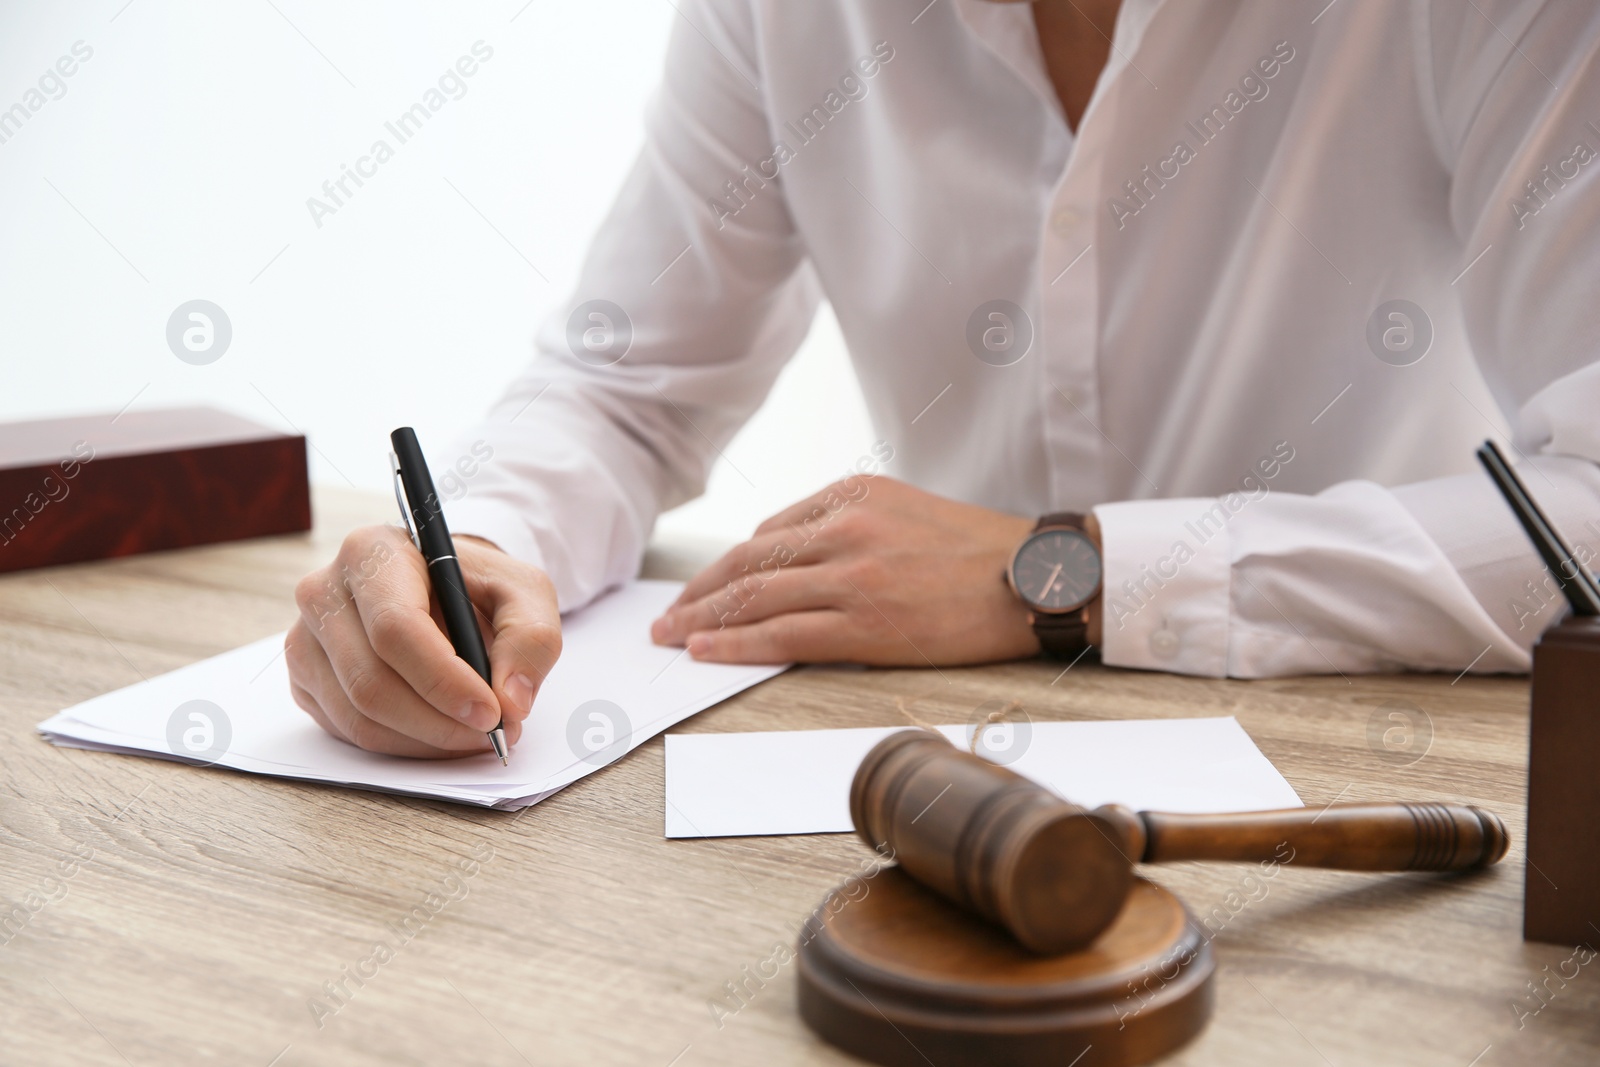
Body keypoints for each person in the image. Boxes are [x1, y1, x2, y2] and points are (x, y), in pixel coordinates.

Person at [285, 0, 1600, 757]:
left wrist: (1054, 571)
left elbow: (1587, 513)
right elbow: (626, 387)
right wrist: (483, 541)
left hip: (1386, 770)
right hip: (930, 767)